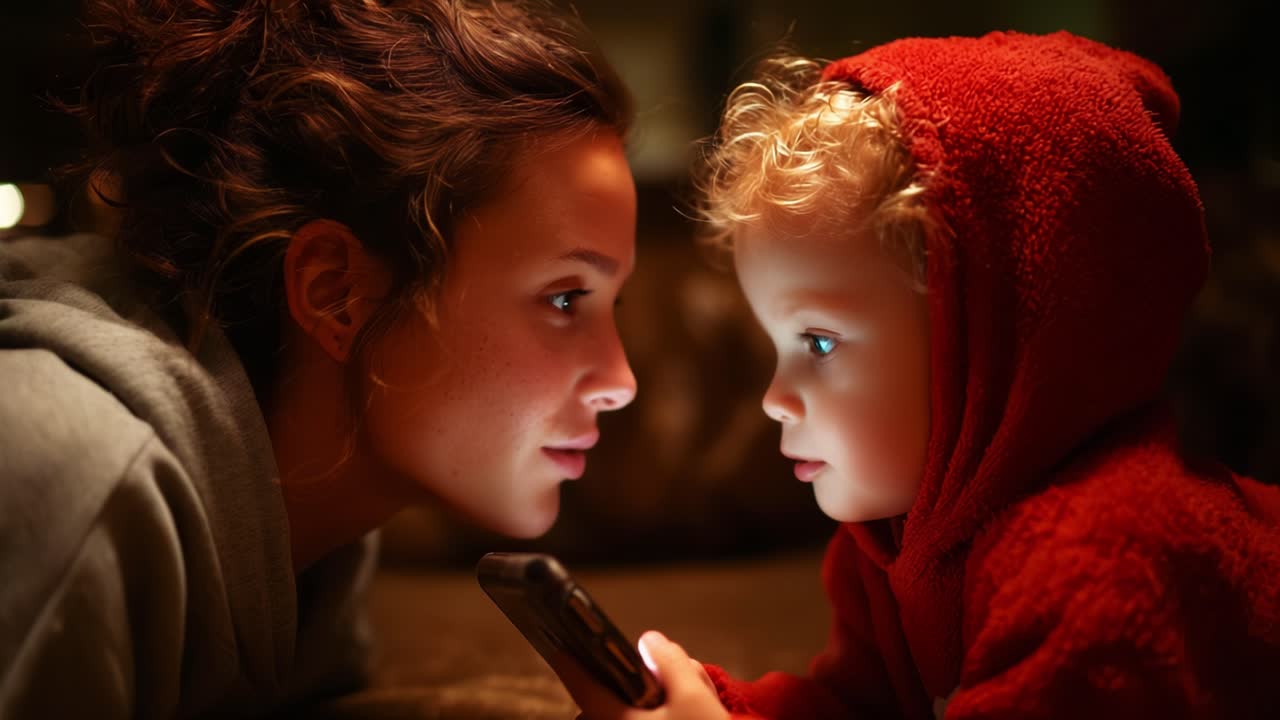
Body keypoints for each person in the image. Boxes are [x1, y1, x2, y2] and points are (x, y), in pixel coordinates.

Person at [557, 30, 1280, 719]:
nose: (776, 401)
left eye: (818, 343)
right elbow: (859, 710)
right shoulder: (898, 541)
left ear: (1000, 338)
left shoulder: (1102, 564)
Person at [0, 0, 638, 716]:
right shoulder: (74, 481)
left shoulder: (316, 535)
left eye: (610, 304)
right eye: (564, 298)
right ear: (336, 292)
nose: (622, 382)